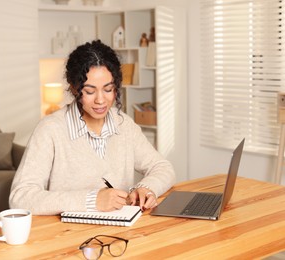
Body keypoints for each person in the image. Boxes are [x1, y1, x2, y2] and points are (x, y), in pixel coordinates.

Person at [9, 40, 175, 215]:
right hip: (67, 236)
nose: (100, 100)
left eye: (108, 89)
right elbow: (20, 198)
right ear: (74, 88)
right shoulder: (50, 130)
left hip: (121, 234)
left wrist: (146, 188)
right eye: (89, 91)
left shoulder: (124, 125)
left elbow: (163, 167)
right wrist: (91, 200)